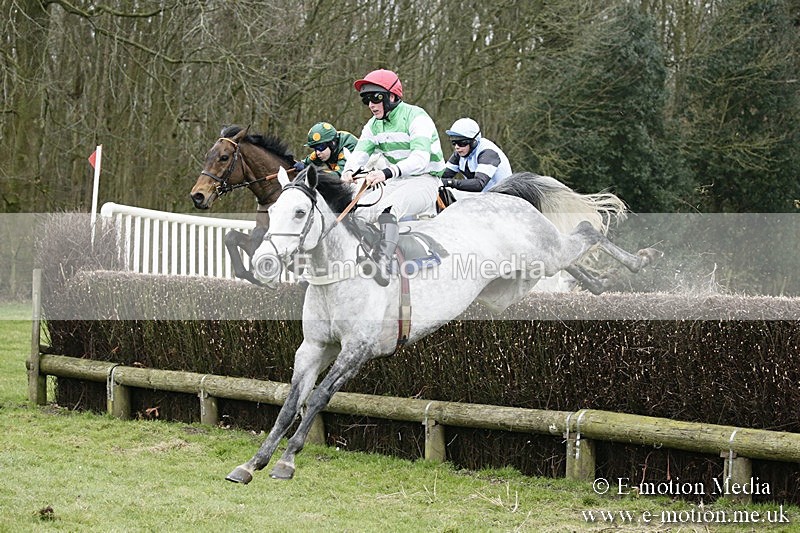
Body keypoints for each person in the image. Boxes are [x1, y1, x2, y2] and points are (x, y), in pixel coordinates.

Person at [341, 69, 445, 286]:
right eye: (366, 99)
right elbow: (360, 153)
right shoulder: (373, 125)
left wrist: (386, 173)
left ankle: (384, 263)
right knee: (358, 212)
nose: (371, 104)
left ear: (393, 96)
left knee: (388, 209)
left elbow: (420, 159)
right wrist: (349, 172)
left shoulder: (417, 117)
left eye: (376, 97)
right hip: (397, 180)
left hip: (425, 180)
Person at [439, 118, 512, 193]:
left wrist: (450, 183)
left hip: (502, 197)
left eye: (461, 143)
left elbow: (478, 184)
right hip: (481, 197)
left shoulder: (488, 153)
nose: (457, 147)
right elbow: (442, 175)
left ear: (474, 142)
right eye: (454, 142)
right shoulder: (460, 153)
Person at [294, 122, 358, 176]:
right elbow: (306, 164)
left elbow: (340, 175)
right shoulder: (322, 151)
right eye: (315, 148)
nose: (318, 152)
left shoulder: (347, 147)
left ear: (332, 143)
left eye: (320, 147)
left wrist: (311, 172)